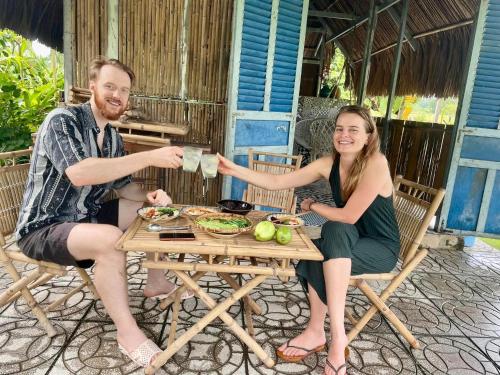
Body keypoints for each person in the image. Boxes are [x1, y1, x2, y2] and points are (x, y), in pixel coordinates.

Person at [16, 57, 189, 368]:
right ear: (92, 87)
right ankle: (127, 333)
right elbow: (81, 173)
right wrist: (150, 157)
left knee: (156, 213)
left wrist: (150, 197)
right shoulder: (62, 121)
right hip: (43, 228)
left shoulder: (111, 137)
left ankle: (156, 281)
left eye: (124, 90)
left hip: (85, 219)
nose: (117, 95)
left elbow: (125, 188)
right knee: (110, 240)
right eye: (110, 86)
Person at [217, 105, 400, 375]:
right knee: (321, 244)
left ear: (368, 137)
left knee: (331, 236)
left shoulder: (376, 163)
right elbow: (278, 182)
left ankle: (336, 338)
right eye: (339, 129)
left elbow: (349, 215)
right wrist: (234, 170)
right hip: (350, 238)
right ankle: (316, 332)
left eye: (353, 130)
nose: (344, 135)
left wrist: (313, 205)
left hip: (380, 246)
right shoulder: (329, 164)